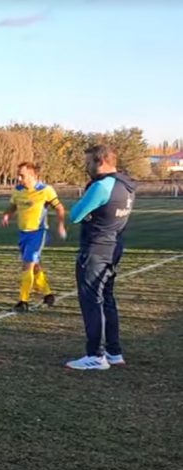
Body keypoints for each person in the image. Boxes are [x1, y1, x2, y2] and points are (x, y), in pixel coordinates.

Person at [65, 145, 136, 371]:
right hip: (114, 246)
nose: (86, 168)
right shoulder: (126, 185)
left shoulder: (101, 186)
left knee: (91, 301)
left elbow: (75, 215)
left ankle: (95, 355)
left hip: (95, 249)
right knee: (107, 299)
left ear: (101, 161)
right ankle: (114, 352)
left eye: (88, 163)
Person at [0, 162, 67, 312]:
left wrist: (60, 224)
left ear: (32, 175)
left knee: (27, 264)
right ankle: (48, 294)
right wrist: (7, 214)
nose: (18, 178)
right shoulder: (18, 190)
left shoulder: (46, 190)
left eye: (22, 175)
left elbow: (60, 207)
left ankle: (23, 301)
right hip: (22, 233)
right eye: (18, 175)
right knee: (34, 266)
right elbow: (13, 205)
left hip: (38, 233)